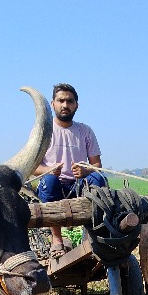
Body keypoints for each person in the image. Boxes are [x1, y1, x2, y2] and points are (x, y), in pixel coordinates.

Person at [33, 83, 107, 257]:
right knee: (49, 181)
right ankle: (57, 240)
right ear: (53, 104)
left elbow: (97, 166)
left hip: (78, 185)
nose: (65, 105)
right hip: (53, 186)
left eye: (69, 101)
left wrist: (85, 171)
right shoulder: (42, 131)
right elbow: (33, 168)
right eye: (61, 101)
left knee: (98, 180)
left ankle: (90, 236)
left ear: (76, 105)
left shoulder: (85, 131)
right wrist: (49, 170)